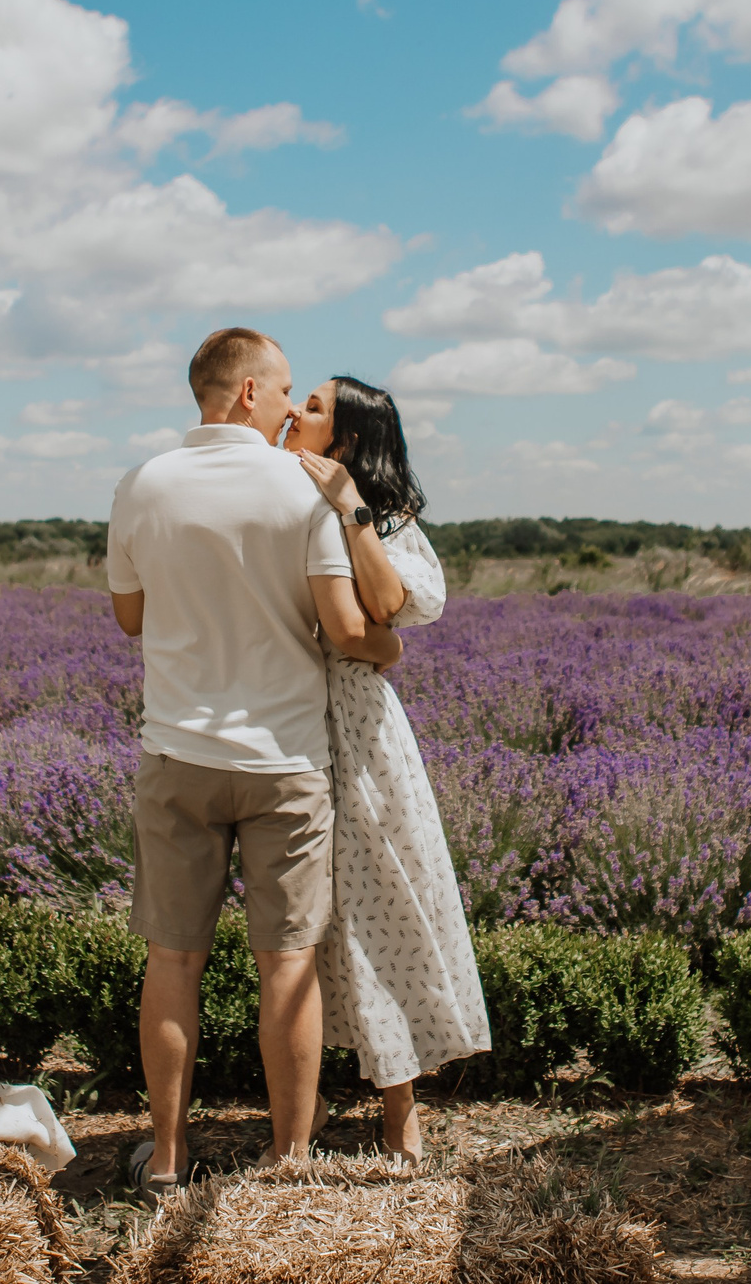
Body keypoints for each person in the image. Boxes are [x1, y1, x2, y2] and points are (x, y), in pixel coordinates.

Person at [105, 328, 400, 1203]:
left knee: (173, 959)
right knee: (287, 963)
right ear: (245, 394)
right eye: (282, 394)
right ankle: (290, 1159)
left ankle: (164, 1156)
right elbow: (344, 623)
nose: (288, 410)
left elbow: (129, 617)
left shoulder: (140, 483)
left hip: (180, 753)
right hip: (286, 761)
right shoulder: (300, 487)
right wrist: (385, 644)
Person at [284, 376, 489, 1164]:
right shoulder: (272, 492)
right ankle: (313, 1086)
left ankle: (399, 1101)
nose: (294, 412)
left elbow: (399, 600)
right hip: (284, 717)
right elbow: (374, 628)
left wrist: (352, 509)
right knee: (301, 921)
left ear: (346, 442)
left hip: (361, 732)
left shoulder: (383, 517)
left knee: (383, 902)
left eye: (313, 407)